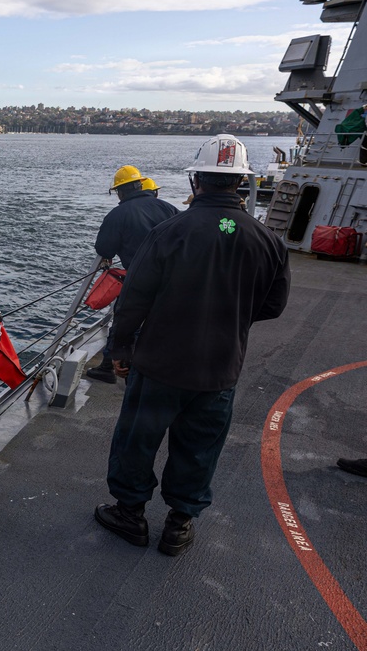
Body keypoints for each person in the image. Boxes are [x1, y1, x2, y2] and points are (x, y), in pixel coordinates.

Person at [94, 134, 291, 557]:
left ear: (196, 179)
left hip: (159, 363)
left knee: (137, 439)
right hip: (220, 367)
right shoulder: (268, 240)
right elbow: (273, 305)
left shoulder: (169, 232)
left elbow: (134, 300)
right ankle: (179, 525)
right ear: (240, 181)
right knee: (200, 447)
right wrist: (229, 316)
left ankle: (130, 515)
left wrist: (120, 350)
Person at [86, 166, 178, 384]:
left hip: (139, 282)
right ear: (140, 185)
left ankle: (116, 368)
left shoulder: (118, 215)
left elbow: (104, 248)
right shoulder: (168, 208)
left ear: (120, 191)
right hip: (173, 282)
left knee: (124, 321)